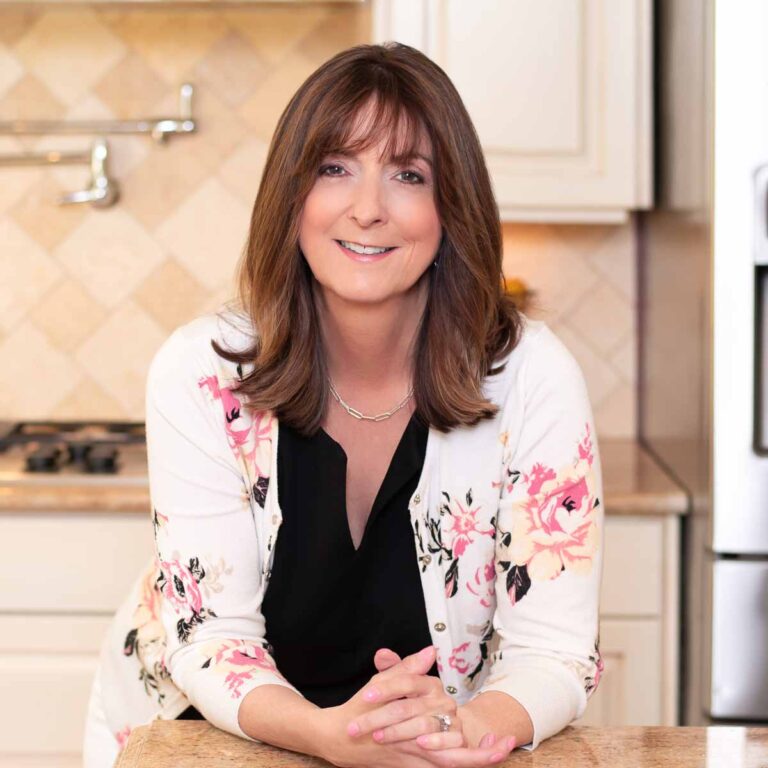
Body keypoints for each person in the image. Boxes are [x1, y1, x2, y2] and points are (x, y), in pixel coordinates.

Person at [83, 41, 604, 768]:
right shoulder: (201, 372)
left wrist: (469, 724)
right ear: (291, 195)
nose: (367, 210)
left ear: (451, 205)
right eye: (335, 169)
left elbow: (555, 651)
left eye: (408, 175)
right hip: (203, 739)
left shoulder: (530, 376)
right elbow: (210, 639)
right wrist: (332, 737)